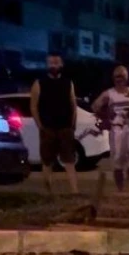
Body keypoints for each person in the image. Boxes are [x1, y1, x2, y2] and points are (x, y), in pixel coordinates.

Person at [29, 53, 79, 195]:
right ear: (47, 65)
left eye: (56, 62)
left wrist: (72, 124)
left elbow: (73, 104)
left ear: (61, 64)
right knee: (47, 162)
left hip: (65, 128)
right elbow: (33, 106)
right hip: (48, 128)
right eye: (51, 63)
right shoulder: (39, 83)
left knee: (69, 160)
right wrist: (40, 125)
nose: (54, 65)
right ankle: (49, 192)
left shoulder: (68, 83)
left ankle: (75, 191)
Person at [92, 65, 129, 194]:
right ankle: (121, 190)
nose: (119, 79)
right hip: (116, 131)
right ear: (113, 78)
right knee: (118, 162)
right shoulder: (109, 94)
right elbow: (95, 106)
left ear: (127, 78)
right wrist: (106, 116)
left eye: (122, 76)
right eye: (116, 77)